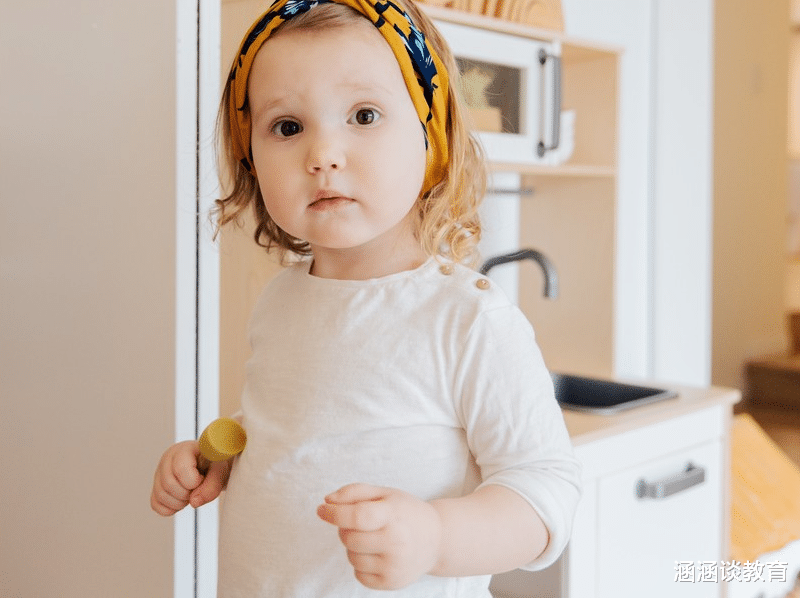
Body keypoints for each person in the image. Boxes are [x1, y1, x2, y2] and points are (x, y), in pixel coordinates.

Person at [151, 0, 581, 595]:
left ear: (431, 139)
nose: (322, 154)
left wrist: (435, 536)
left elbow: (546, 490)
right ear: (251, 160)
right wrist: (223, 452)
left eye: (364, 115)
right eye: (288, 127)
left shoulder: (468, 318)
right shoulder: (281, 300)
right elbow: (302, 426)